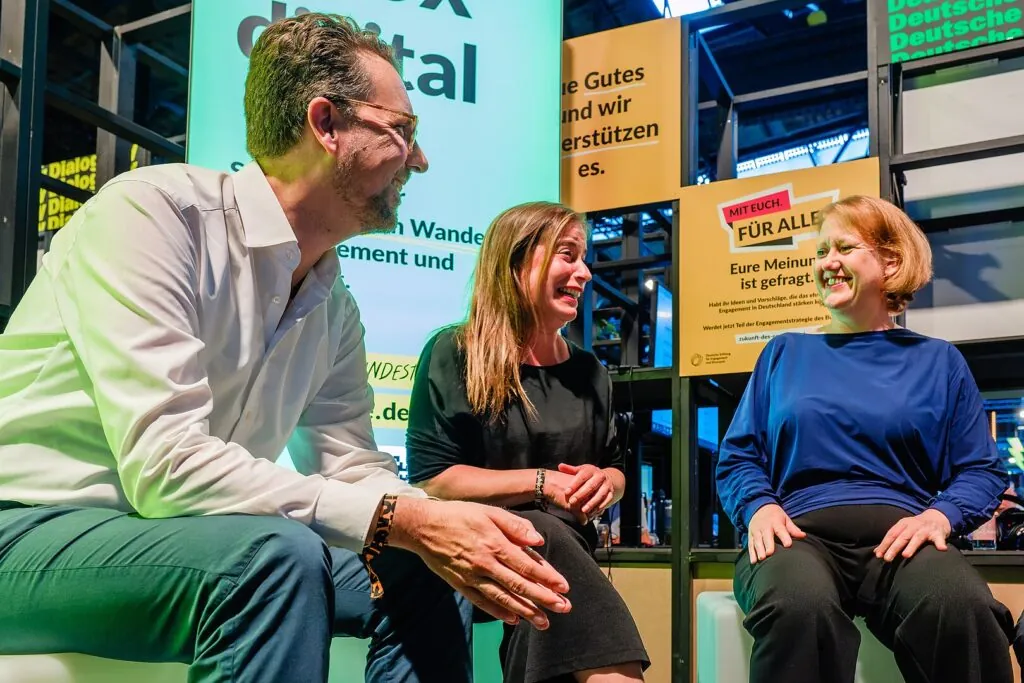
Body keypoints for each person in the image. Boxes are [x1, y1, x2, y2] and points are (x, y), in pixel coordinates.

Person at [0, 13, 572, 683]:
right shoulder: (153, 216)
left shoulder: (335, 302)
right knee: (274, 557)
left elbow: (350, 464)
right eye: (402, 132)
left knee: (428, 561)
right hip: (29, 533)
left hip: (181, 541)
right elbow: (166, 467)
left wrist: (437, 524)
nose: (418, 160)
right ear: (325, 124)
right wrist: (403, 515)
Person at [716, 195, 1016, 683]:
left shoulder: (939, 362)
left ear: (891, 261)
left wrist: (942, 515)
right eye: (820, 251)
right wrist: (759, 506)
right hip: (798, 536)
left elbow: (981, 470)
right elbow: (739, 457)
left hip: (904, 542)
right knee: (798, 607)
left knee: (962, 608)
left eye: (844, 247)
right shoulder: (784, 354)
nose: (826, 263)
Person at [405, 202, 650, 683]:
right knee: (539, 532)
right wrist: (542, 485)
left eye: (584, 259)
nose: (583, 273)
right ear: (517, 262)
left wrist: (605, 483)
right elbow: (436, 481)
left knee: (546, 554)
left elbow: (615, 468)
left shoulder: (589, 371)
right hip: (477, 549)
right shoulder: (454, 353)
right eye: (567, 255)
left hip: (562, 555)